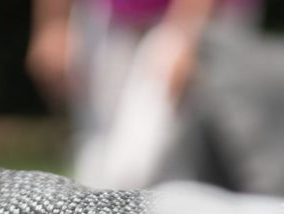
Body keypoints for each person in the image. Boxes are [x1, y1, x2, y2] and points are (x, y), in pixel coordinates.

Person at [26, 0, 257, 189]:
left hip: (196, 19)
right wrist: (53, 22)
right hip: (108, 17)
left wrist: (186, 32)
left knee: (145, 164)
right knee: (97, 158)